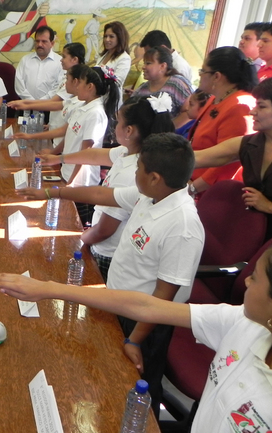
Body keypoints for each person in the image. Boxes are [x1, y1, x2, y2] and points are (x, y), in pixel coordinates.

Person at [0, 237, 272, 432]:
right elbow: (146, 306)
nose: (246, 283)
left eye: (255, 279)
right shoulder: (244, 322)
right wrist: (48, 289)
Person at [15, 133, 204, 418]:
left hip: (144, 322)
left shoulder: (183, 226)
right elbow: (101, 195)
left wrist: (135, 340)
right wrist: (51, 193)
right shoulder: (150, 196)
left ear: (154, 178)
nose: (134, 173)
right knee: (109, 377)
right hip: (116, 302)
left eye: (138, 168)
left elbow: (164, 296)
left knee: (137, 387)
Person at [57, 94, 175, 280]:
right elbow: (95, 155)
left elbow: (105, 230)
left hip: (107, 252)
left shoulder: (132, 173)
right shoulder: (129, 152)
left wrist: (79, 239)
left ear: (129, 131)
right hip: (100, 240)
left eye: (118, 122)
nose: (114, 126)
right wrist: (58, 158)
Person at [13, 64, 120, 226]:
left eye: (80, 82)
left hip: (81, 181)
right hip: (68, 172)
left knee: (74, 224)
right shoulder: (82, 106)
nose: (76, 86)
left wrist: (72, 183)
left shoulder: (95, 113)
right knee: (63, 219)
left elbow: (87, 153)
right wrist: (54, 153)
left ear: (90, 87)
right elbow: (69, 135)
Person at [194, 76, 272, 240]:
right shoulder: (249, 144)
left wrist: (270, 206)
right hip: (252, 233)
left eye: (261, 106)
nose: (252, 111)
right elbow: (198, 158)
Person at [188, 46, 258, 195]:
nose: (200, 75)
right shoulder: (216, 98)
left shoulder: (240, 106)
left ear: (217, 76)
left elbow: (228, 161)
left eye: (203, 71)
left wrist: (192, 188)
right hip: (192, 179)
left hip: (213, 192)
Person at [8, 42, 85, 149]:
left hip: (64, 136)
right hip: (57, 128)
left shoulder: (74, 83)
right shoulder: (66, 77)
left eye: (64, 57)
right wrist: (51, 124)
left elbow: (54, 103)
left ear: (74, 59)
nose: (61, 60)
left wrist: (25, 104)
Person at [132, 46, 193, 117]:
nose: (143, 67)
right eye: (144, 63)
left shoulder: (176, 84)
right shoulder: (142, 88)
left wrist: (171, 124)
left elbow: (189, 112)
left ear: (162, 66)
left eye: (148, 63)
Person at [14, 26, 63, 102]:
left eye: (44, 41)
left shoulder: (60, 62)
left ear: (52, 43)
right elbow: (19, 84)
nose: (39, 44)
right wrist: (32, 102)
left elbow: (59, 86)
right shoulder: (25, 60)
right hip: (26, 104)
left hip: (49, 105)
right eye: (37, 41)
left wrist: (40, 103)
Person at [96, 21, 131, 89]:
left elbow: (117, 83)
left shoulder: (124, 58)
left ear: (120, 38)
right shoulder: (102, 55)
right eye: (105, 36)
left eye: (111, 37)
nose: (107, 39)